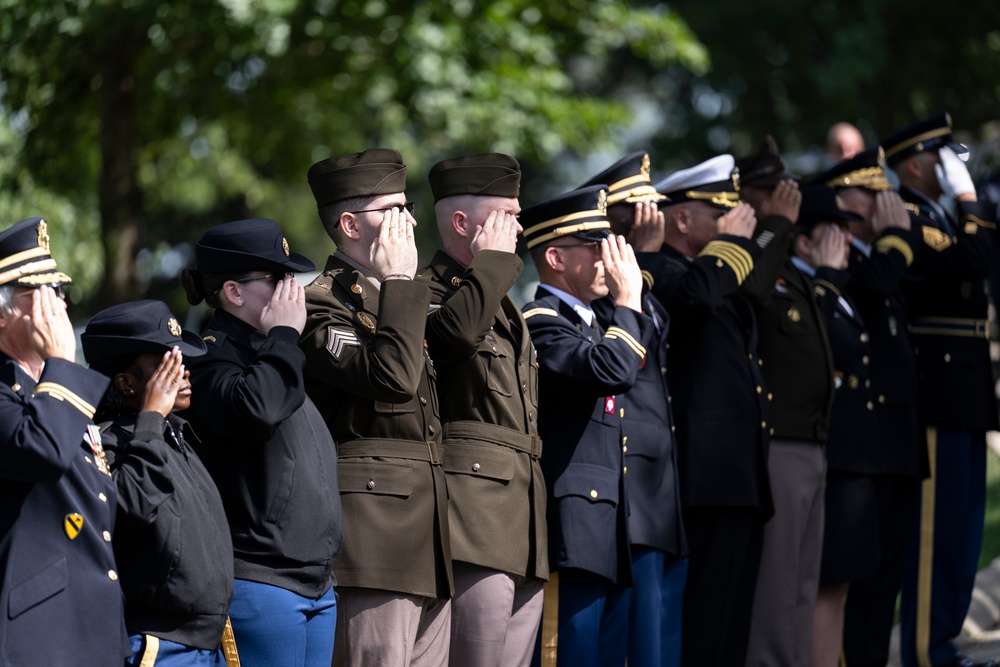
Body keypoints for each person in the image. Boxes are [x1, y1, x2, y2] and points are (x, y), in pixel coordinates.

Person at [301, 149, 453, 666]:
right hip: (373, 544)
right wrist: (398, 285)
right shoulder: (318, 304)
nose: (410, 220)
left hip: (430, 538)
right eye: (394, 209)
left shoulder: (406, 295)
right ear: (349, 224)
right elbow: (391, 378)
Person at [180, 218, 342, 667]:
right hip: (261, 581)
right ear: (234, 292)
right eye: (277, 278)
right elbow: (260, 408)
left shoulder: (275, 352)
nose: (293, 290)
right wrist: (284, 334)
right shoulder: (209, 356)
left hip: (316, 582)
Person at [635, 155, 773, 667]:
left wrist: (742, 241)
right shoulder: (661, 271)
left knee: (732, 623)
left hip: (739, 477)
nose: (734, 222)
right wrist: (735, 243)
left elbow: (741, 288)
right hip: (704, 477)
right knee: (703, 624)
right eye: (721, 214)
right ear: (683, 219)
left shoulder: (710, 273)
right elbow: (695, 299)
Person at [415, 153, 548, 666]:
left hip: (522, 521)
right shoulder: (424, 291)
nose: (518, 226)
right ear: (462, 224)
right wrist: (491, 263)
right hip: (473, 522)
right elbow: (455, 338)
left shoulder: (506, 303)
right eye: (506, 214)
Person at [882, 113, 999, 667]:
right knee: (934, 535)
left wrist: (966, 204)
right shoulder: (906, 215)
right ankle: (927, 651)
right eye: (940, 158)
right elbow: (975, 261)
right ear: (914, 164)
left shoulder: (939, 216)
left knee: (961, 529)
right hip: (936, 392)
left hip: (963, 391)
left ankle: (944, 643)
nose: (951, 167)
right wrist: (971, 197)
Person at [521, 185, 653, 667]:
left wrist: (628, 302)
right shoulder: (541, 322)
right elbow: (615, 369)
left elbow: (638, 352)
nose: (609, 259)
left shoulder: (593, 325)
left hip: (605, 529)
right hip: (570, 533)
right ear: (555, 256)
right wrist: (628, 298)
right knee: (567, 655)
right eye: (597, 247)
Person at [811, 148, 924, 667]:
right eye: (872, 193)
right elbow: (877, 284)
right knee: (853, 584)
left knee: (886, 583)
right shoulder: (845, 262)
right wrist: (899, 236)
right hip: (861, 450)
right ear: (844, 203)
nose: (886, 203)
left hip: (895, 445)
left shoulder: (874, 257)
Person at [0, 216, 128, 665]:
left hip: (94, 627)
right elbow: (43, 451)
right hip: (38, 634)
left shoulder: (55, 390)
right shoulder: (32, 389)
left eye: (61, 293)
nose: (60, 305)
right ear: (2, 313)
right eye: (43, 293)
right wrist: (62, 362)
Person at [81, 300, 234, 666]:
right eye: (166, 364)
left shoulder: (173, 435)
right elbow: (134, 503)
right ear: (126, 382)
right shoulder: (106, 444)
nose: (183, 372)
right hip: (161, 644)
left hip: (210, 641)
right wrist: (150, 416)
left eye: (182, 361)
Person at [580, 151, 688, 667]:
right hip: (629, 485)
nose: (652, 216)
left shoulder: (629, 281)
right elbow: (631, 353)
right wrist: (640, 263)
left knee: (662, 636)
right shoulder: (601, 290)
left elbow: (659, 327)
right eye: (639, 207)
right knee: (638, 641)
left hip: (657, 483)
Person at [735, 138, 832, 667]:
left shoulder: (784, 257)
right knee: (774, 592)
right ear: (745, 195)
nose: (784, 199)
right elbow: (749, 291)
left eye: (784, 188)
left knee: (800, 582)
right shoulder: (755, 247)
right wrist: (775, 225)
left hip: (809, 437)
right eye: (770, 190)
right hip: (777, 441)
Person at [788, 187, 880, 667]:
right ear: (804, 242)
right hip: (830, 457)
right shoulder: (804, 286)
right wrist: (825, 276)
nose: (846, 239)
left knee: (841, 583)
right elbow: (810, 349)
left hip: (852, 458)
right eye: (834, 231)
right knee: (824, 584)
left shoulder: (834, 289)